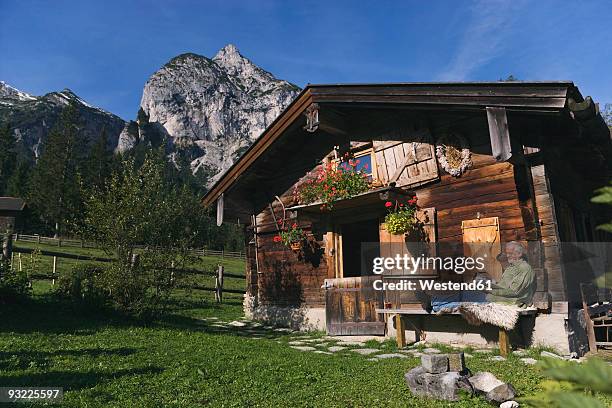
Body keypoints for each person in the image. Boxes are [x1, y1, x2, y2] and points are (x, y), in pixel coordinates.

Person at [420, 241, 536, 313]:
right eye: (448, 250)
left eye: (451, 249)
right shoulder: (433, 265)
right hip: (442, 303)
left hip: (459, 294)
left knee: (483, 296)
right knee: (478, 304)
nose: (452, 251)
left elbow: (472, 276)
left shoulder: (459, 261)